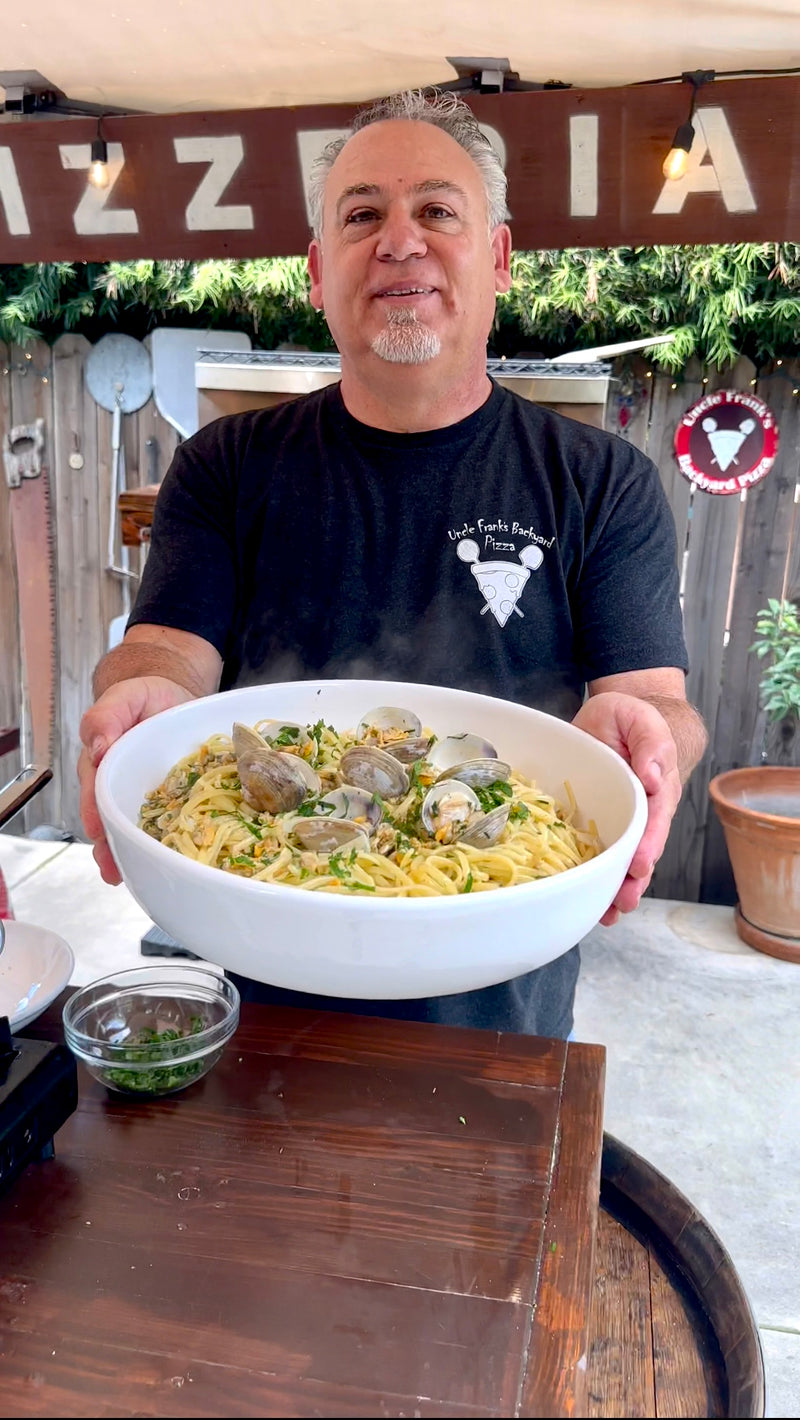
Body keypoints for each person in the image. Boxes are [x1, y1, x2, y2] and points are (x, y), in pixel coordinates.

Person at [78, 88, 707, 1039]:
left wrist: (648, 736)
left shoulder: (600, 480)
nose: (399, 241)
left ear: (496, 259)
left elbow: (655, 700)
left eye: (438, 212)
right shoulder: (226, 464)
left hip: (500, 994)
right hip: (254, 970)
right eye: (362, 214)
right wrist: (141, 695)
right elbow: (168, 650)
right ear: (317, 268)